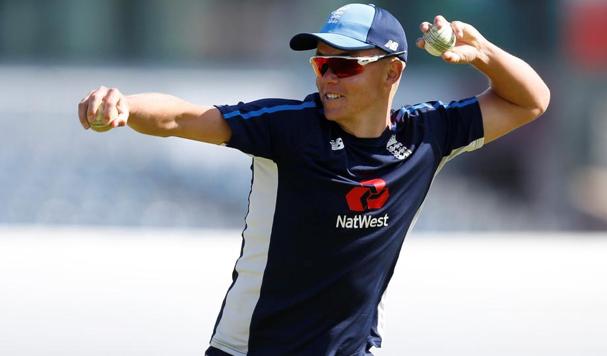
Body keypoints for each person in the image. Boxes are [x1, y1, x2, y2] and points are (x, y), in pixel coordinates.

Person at [77, 3, 549, 356]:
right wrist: (124, 106)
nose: (328, 78)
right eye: (321, 63)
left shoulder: (428, 134)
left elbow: (530, 101)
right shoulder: (289, 126)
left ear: (393, 72)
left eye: (344, 65)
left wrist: (483, 52)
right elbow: (184, 117)